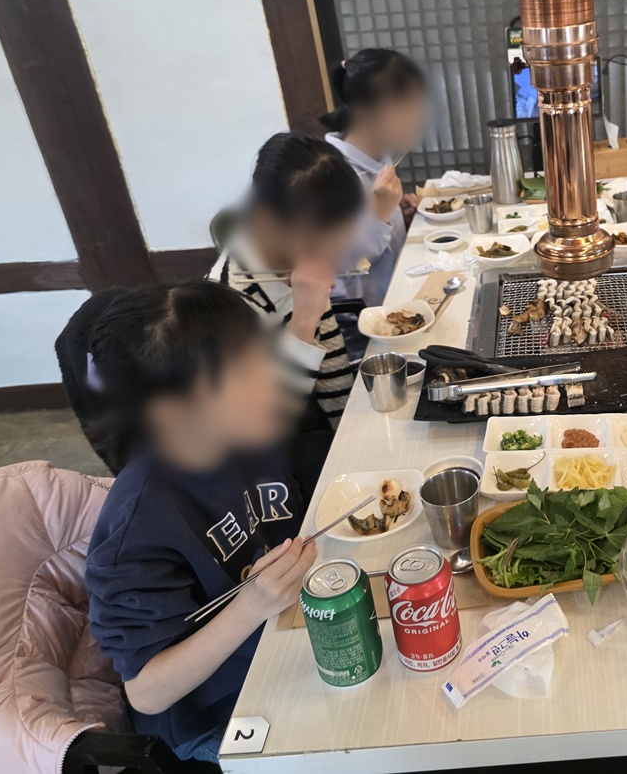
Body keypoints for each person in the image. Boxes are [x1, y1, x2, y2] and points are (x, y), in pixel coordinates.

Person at [85, 282, 317, 762]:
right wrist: (252, 606)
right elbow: (146, 691)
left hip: (291, 634)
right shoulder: (140, 519)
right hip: (221, 712)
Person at [209, 132, 363, 436]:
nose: (330, 249)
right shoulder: (230, 299)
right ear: (268, 221)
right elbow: (263, 424)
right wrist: (304, 321)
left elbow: (332, 361)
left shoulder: (299, 254)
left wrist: (349, 433)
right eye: (319, 236)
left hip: (316, 420)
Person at [321, 48, 428, 319]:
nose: (418, 116)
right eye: (404, 106)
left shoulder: (379, 156)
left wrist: (398, 218)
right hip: (361, 323)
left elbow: (383, 243)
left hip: (397, 299)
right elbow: (341, 266)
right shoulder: (328, 173)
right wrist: (379, 212)